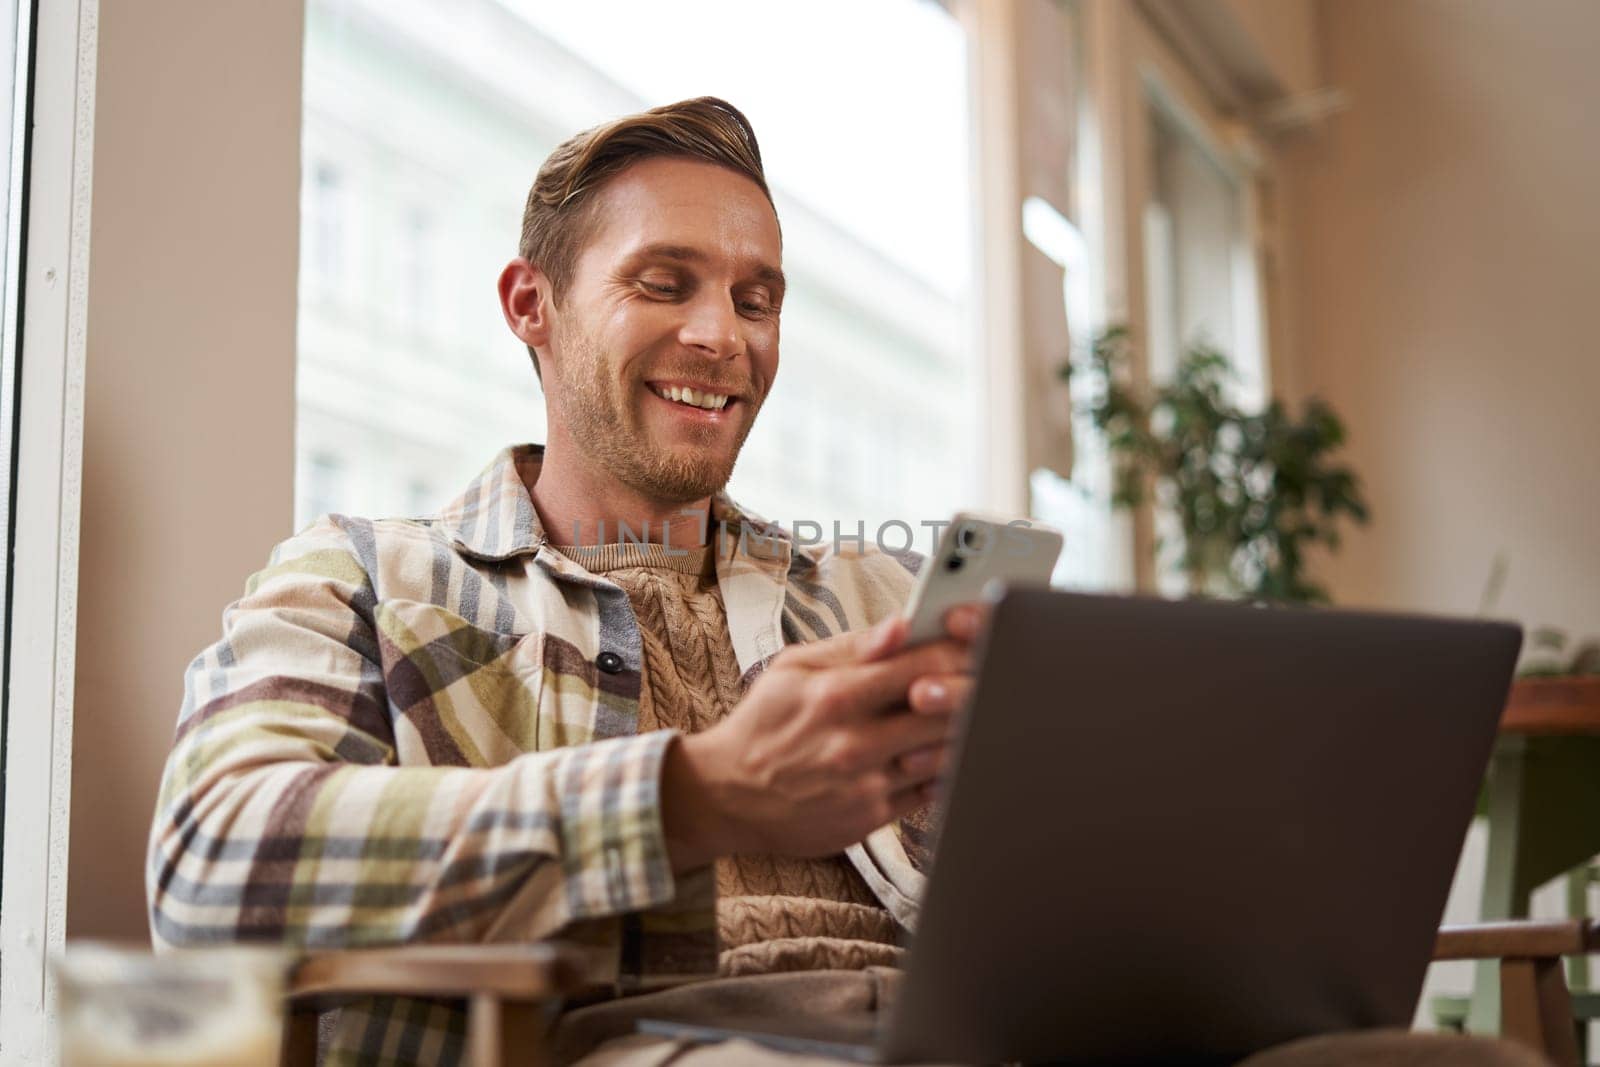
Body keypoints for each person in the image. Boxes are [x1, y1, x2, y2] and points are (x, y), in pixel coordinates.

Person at [148, 98, 1541, 1067]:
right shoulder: (367, 579)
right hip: (660, 1042)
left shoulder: (875, 595)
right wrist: (692, 796)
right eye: (666, 282)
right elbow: (212, 867)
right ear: (533, 306)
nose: (724, 337)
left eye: (758, 299)